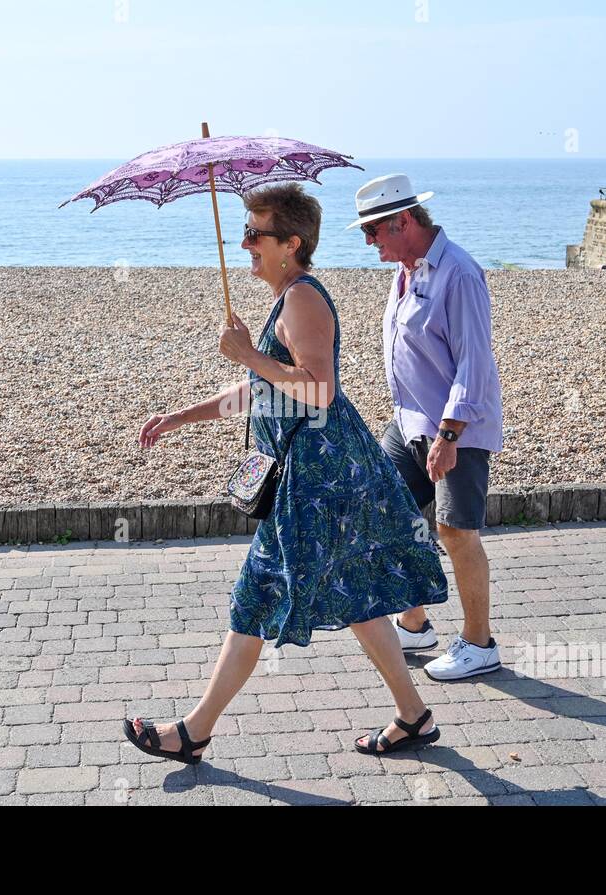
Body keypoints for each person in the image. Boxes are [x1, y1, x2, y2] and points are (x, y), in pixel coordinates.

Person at [127, 183, 450, 764]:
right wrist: (180, 416)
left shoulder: (303, 300)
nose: (246, 243)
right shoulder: (285, 299)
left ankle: (194, 731)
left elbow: (319, 390)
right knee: (355, 594)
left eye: (257, 233)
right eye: (245, 232)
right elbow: (263, 392)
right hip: (314, 477)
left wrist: (249, 355)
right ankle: (414, 715)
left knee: (257, 596)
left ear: (291, 243)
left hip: (320, 481)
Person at [348, 174, 505, 681]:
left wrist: (449, 435)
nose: (368, 241)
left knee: (455, 531)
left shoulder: (457, 274)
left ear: (405, 221)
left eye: (374, 231)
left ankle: (479, 644)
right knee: (387, 511)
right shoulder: (406, 271)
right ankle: (414, 624)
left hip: (456, 427)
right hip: (408, 423)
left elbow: (474, 364)